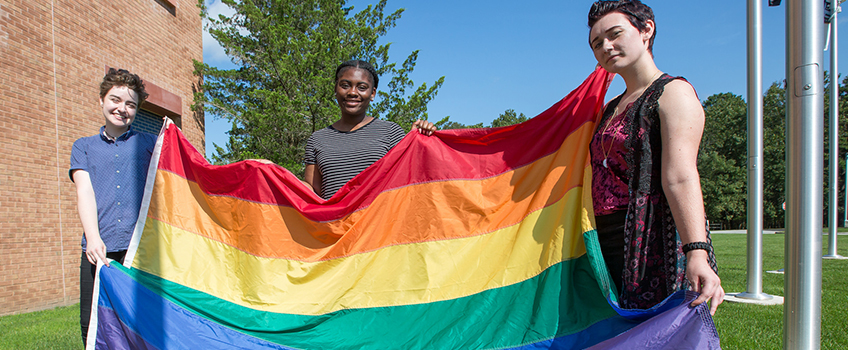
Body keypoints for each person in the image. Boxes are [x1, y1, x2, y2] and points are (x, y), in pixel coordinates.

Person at [586, 0, 724, 313]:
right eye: (596, 43)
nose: (606, 46)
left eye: (615, 34)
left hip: (649, 242)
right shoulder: (608, 109)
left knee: (656, 335)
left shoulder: (673, 93)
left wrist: (697, 252)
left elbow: (680, 175)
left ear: (646, 29)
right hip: (602, 243)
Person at [70, 68, 156, 344]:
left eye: (130, 104)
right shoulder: (82, 146)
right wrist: (93, 238)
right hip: (99, 253)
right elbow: (84, 191)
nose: (122, 109)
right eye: (115, 100)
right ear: (101, 100)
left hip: (140, 254)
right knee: (93, 326)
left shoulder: (150, 143)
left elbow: (187, 171)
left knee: (141, 327)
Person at [303, 60, 436, 199]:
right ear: (335, 89)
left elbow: (408, 178)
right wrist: (279, 179)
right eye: (345, 85)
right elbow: (312, 191)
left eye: (361, 87)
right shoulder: (317, 139)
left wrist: (416, 142)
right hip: (334, 220)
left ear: (372, 93)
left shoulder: (391, 132)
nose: (352, 92)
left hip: (381, 219)